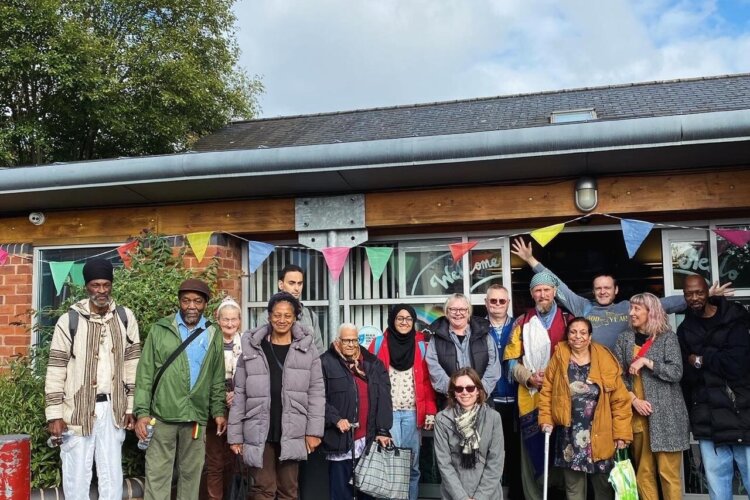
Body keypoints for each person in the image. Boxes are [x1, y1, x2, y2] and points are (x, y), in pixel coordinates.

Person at [511, 237, 733, 350]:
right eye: (598, 288)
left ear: (616, 290)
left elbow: (663, 304)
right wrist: (532, 261)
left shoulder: (629, 307)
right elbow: (557, 285)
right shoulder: (583, 307)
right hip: (591, 374)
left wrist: (703, 295)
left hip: (623, 374)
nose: (602, 292)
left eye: (607, 288)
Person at [45, 258, 140, 500]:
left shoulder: (124, 317)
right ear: (87, 286)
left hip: (114, 409)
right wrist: (54, 415)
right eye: (96, 285)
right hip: (76, 410)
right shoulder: (70, 320)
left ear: (111, 285)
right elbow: (56, 367)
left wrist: (131, 406)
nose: (101, 290)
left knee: (112, 475)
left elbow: (133, 365)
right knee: (76, 475)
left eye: (106, 284)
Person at [134, 279, 227, 500]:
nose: (191, 306)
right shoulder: (160, 329)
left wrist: (218, 411)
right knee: (157, 475)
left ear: (205, 304)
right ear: (179, 302)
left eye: (197, 301)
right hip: (162, 414)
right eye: (186, 300)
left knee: (191, 477)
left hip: (195, 415)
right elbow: (145, 375)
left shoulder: (213, 332)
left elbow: (216, 376)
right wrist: (142, 413)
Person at [228, 292, 325, 500]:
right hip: (258, 427)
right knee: (262, 489)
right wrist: (235, 435)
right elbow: (240, 393)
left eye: (287, 315)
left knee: (288, 490)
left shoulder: (307, 349)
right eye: (277, 315)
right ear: (269, 316)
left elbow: (317, 392)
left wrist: (314, 431)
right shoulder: (253, 347)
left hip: (293, 427)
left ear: (295, 317)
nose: (282, 320)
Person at [538, 317, 632, 500]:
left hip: (601, 431)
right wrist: (546, 419)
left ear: (590, 337)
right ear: (567, 335)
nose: (577, 337)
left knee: (603, 486)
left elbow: (620, 400)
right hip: (569, 432)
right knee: (573, 487)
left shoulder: (604, 357)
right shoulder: (560, 356)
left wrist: (621, 433)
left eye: (583, 332)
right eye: (573, 332)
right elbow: (547, 391)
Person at [677, 275, 750, 500]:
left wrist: (701, 360)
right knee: (718, 488)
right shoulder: (685, 329)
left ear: (708, 292)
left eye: (699, 292)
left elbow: (737, 364)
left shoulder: (734, 319)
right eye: (689, 294)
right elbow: (687, 376)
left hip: (740, 411)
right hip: (706, 415)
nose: (694, 298)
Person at [613, 293, 689, 500]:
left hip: (667, 416)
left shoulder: (668, 337)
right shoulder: (624, 339)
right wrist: (633, 400)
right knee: (643, 473)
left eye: (637, 309)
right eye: (631, 308)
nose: (631, 313)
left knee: (668, 474)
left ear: (651, 311)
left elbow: (676, 372)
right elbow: (618, 377)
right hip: (638, 414)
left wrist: (647, 362)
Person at [503, 272, 572, 500]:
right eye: (537, 290)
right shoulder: (522, 322)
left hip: (562, 396)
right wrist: (529, 377)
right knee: (531, 456)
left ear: (554, 292)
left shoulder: (568, 321)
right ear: (532, 294)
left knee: (563, 450)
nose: (542, 295)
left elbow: (581, 356)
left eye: (546, 290)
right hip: (530, 397)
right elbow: (511, 361)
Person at [369, 304, 437, 500]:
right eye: (400, 318)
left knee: (411, 467)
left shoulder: (422, 344)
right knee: (391, 466)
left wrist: (430, 411)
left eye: (408, 319)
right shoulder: (378, 343)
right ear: (392, 320)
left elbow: (427, 383)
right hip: (387, 415)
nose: (404, 322)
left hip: (412, 413)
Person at [322, 323, 393, 499]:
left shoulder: (373, 363)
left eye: (354, 340)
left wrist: (383, 430)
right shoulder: (324, 362)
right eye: (346, 340)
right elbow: (316, 398)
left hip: (368, 440)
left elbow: (384, 398)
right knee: (341, 493)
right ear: (337, 342)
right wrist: (335, 419)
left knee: (367, 493)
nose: (351, 345)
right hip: (340, 439)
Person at [434, 367, 505, 500]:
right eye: (459, 389)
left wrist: (479, 497)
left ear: (478, 390)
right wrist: (461, 497)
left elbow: (496, 462)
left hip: (488, 494)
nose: (465, 392)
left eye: (470, 388)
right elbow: (444, 464)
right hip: (454, 494)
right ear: (454, 392)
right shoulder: (441, 419)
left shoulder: (493, 418)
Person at [483, 284, 523, 500]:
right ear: (486, 303)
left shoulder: (520, 327)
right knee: (490, 456)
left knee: (517, 456)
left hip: (517, 400)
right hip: (490, 401)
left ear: (508, 303)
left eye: (502, 301)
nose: (497, 305)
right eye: (493, 301)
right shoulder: (478, 328)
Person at [203, 297, 243, 500]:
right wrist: (219, 396)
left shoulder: (246, 344)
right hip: (214, 405)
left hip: (239, 405)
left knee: (236, 460)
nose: (229, 324)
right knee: (215, 461)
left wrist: (238, 392)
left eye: (233, 319)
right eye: (225, 319)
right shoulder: (209, 342)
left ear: (239, 320)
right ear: (217, 319)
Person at [425, 293, 501, 400]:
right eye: (453, 309)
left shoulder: (485, 336)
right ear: (446, 312)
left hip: (481, 400)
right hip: (449, 401)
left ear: (468, 312)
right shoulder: (436, 339)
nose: (458, 313)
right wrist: (455, 391)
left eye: (462, 309)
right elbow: (434, 368)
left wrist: (479, 391)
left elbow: (494, 367)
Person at [257, 264, 326, 355]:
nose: (297, 288)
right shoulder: (266, 317)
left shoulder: (311, 316)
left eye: (300, 283)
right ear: (281, 285)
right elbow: (260, 352)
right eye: (292, 283)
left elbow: (319, 353)